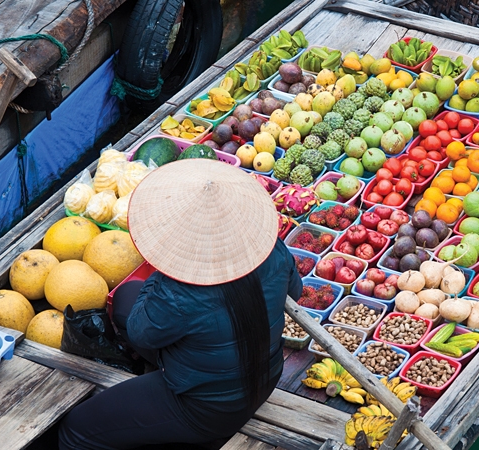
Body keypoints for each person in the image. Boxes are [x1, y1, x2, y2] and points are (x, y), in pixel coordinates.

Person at [58, 158, 303, 449]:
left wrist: (165, 270)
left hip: (207, 408)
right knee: (125, 298)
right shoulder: (272, 249)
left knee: (75, 431)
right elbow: (295, 292)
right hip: (266, 375)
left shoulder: (179, 291)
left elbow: (140, 333)